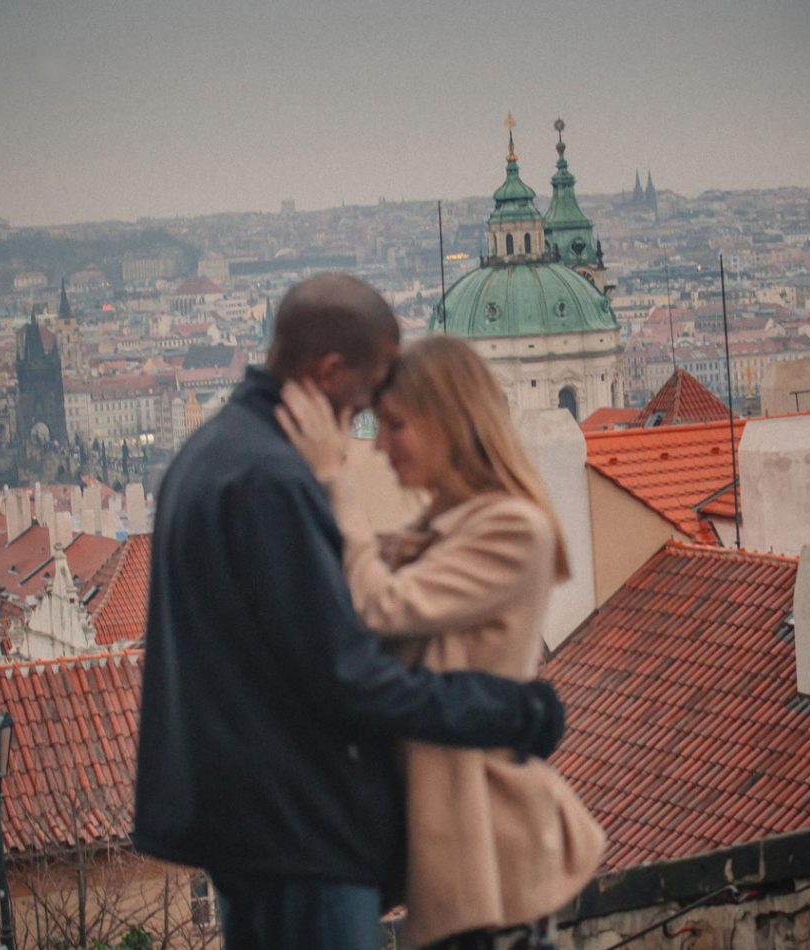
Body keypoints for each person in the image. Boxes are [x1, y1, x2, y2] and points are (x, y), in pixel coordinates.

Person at [132, 274, 570, 950]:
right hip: (299, 826)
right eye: (369, 402)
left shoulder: (211, 454)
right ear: (329, 371)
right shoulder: (273, 477)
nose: (368, 431)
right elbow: (346, 671)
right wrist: (511, 712)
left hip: (256, 821)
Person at [279, 334, 606, 948]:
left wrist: (336, 480)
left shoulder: (514, 529)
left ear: (447, 423)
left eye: (394, 426)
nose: (380, 444)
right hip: (453, 836)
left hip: (494, 841)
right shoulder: (435, 532)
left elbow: (378, 605)